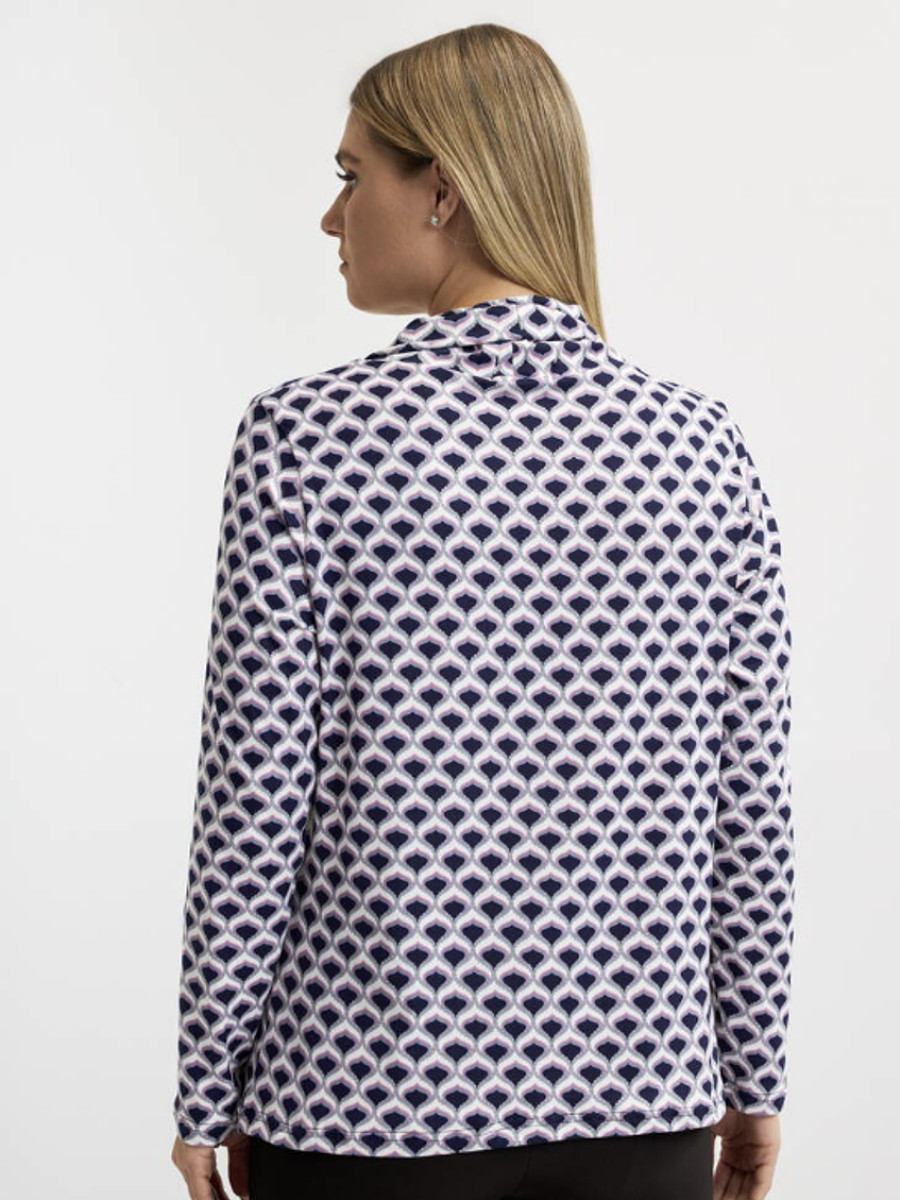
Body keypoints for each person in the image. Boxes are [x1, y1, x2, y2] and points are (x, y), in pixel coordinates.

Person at [170, 22, 795, 1200]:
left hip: (361, 1106)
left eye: (352, 174)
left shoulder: (304, 441)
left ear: (444, 191)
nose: (331, 216)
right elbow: (748, 807)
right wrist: (755, 1078)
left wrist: (208, 1087)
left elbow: (254, 801)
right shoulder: (704, 451)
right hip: (641, 1113)